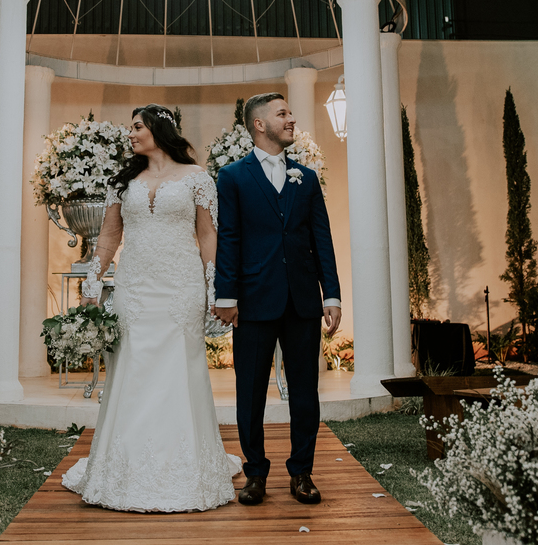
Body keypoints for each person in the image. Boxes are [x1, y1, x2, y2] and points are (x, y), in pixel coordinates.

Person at [61, 104, 242, 512]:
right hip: (135, 290)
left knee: (180, 370)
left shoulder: (197, 178)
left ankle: (185, 467)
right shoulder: (122, 182)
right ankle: (124, 468)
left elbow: (208, 235)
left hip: (181, 288)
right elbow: (109, 237)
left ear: (158, 130)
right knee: (134, 368)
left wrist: (215, 289)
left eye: (137, 127)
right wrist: (92, 281)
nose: (130, 133)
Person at [212, 93, 342, 506]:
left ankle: (302, 472)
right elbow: (228, 239)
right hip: (253, 301)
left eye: (290, 113)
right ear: (259, 124)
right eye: (282, 114)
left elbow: (321, 238)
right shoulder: (232, 177)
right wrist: (226, 295)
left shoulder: (307, 178)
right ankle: (255, 474)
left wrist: (331, 294)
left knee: (305, 392)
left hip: (303, 301)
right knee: (250, 392)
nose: (291, 119)